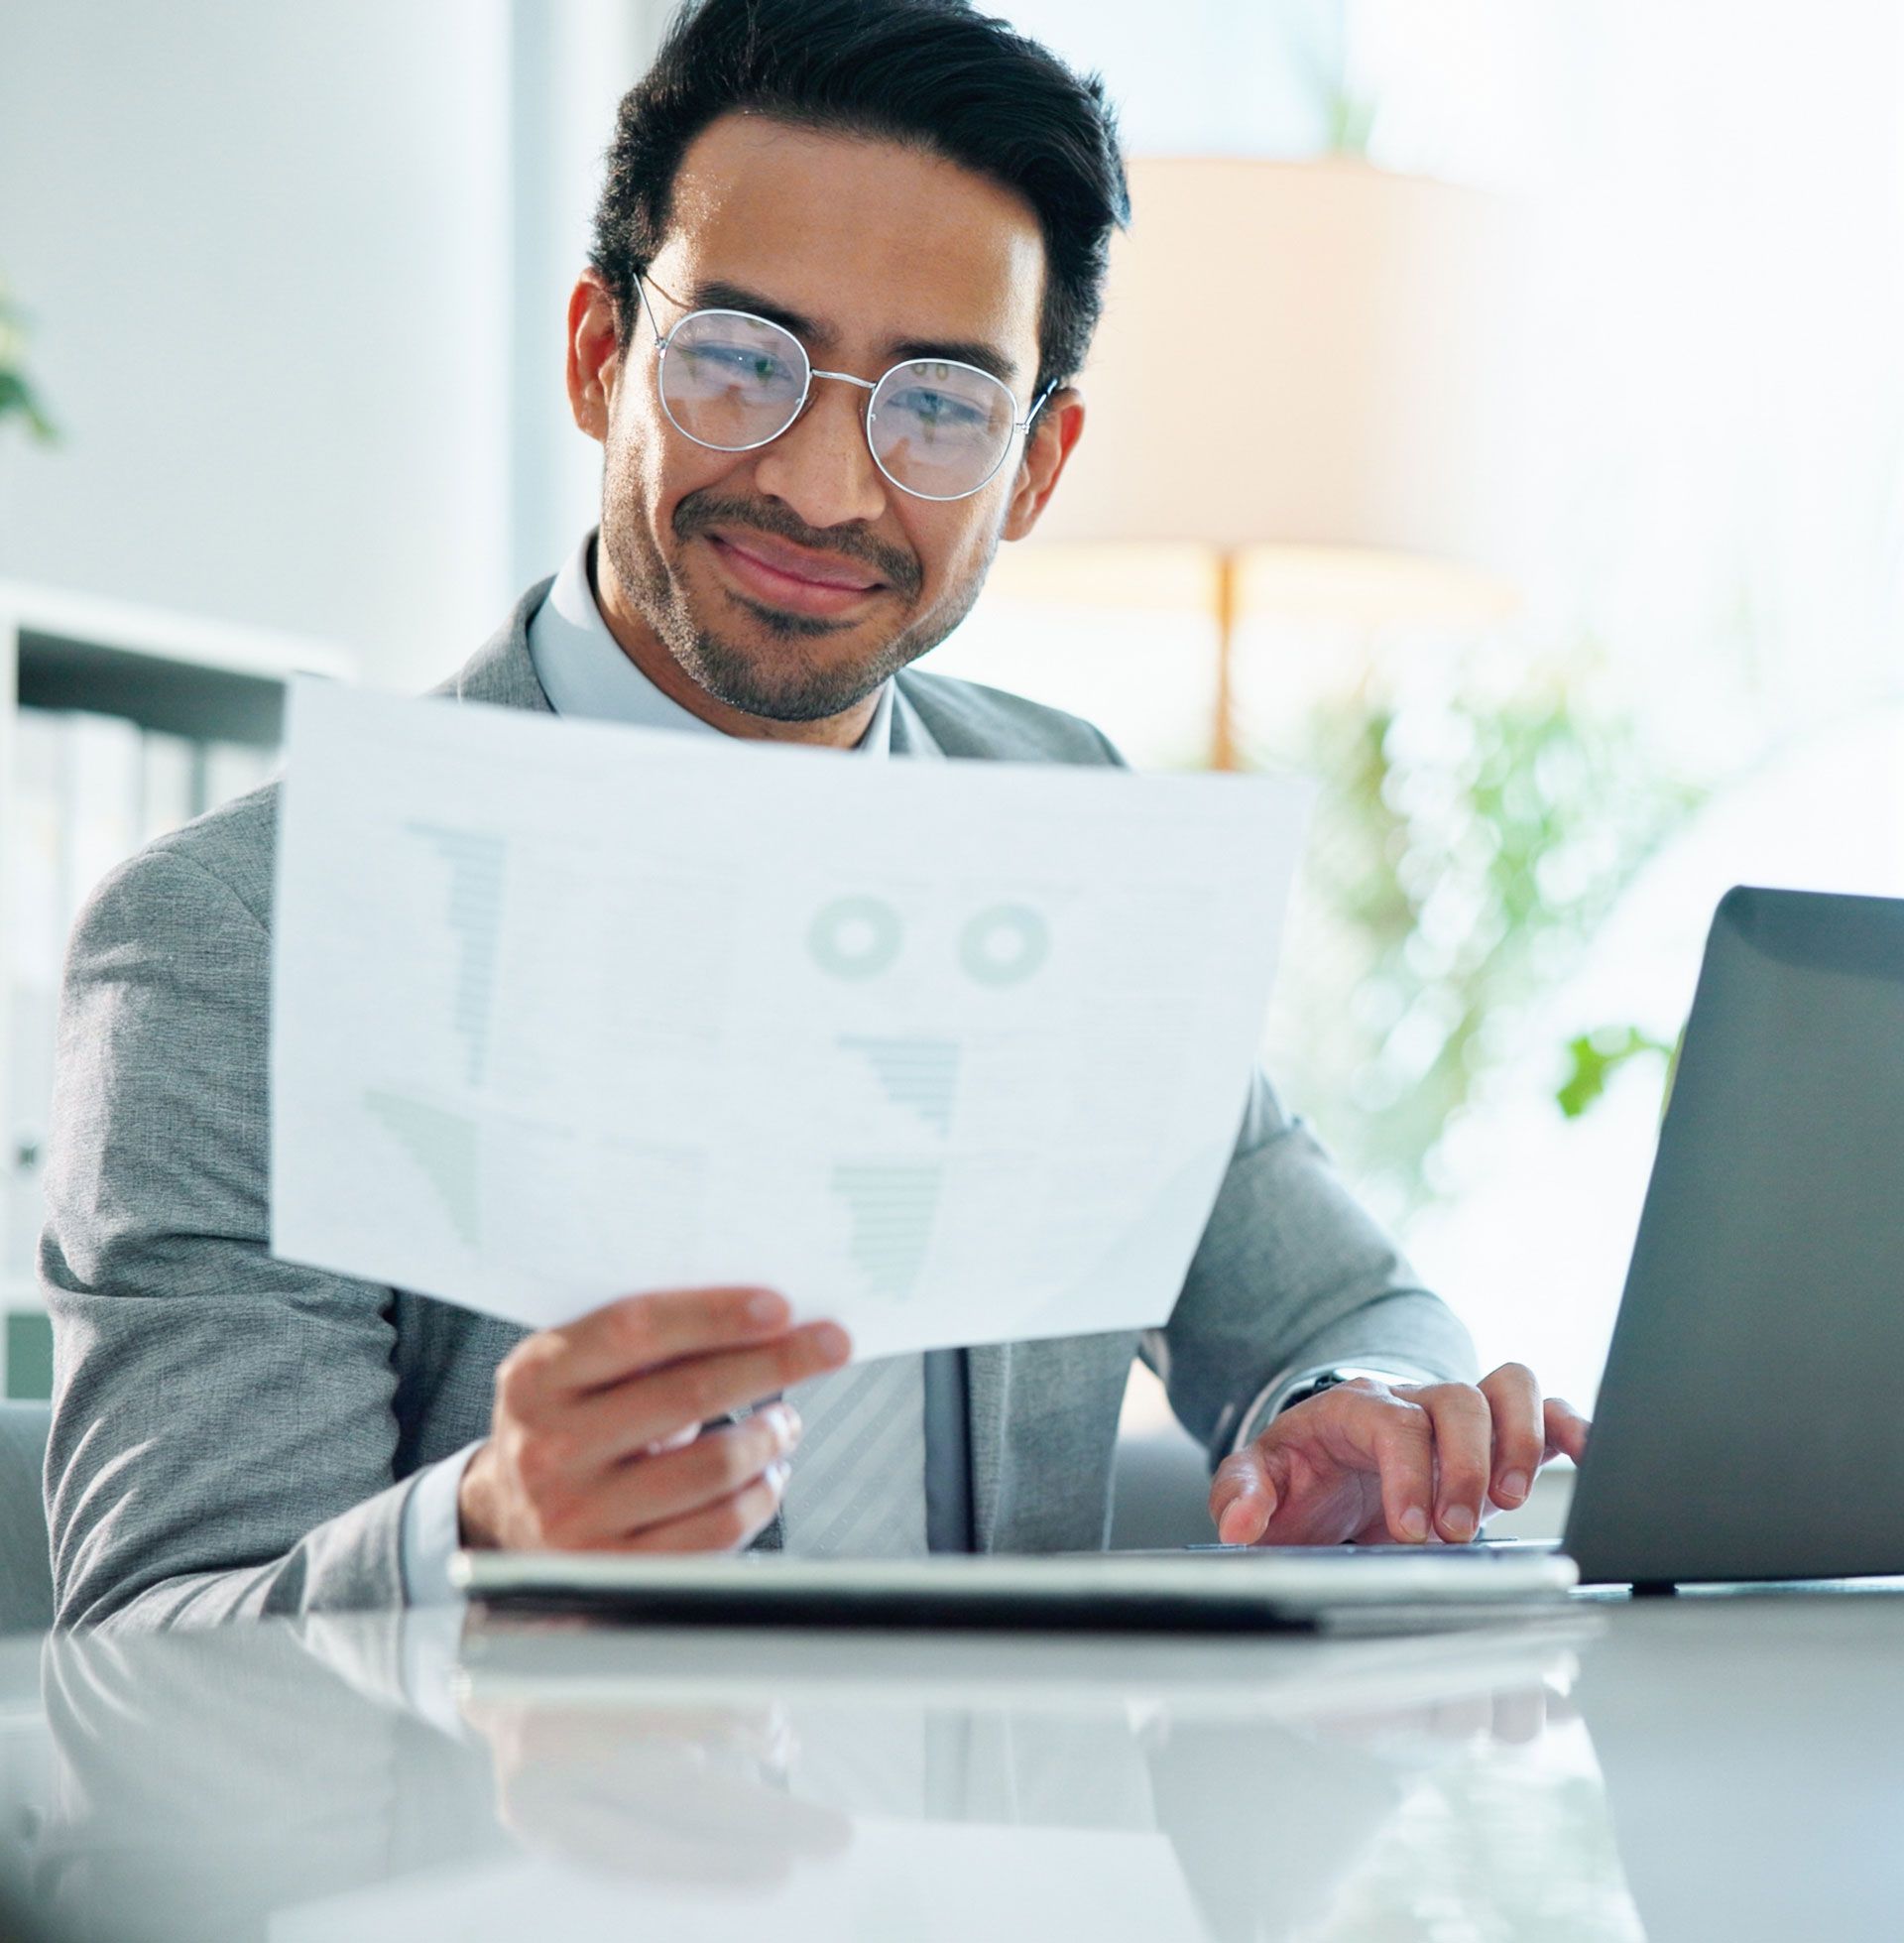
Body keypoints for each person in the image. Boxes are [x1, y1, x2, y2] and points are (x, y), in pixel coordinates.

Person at [42, 0, 1587, 1631]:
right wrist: (477, 1539)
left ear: (1036, 470)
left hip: (1006, 1873)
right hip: (505, 1877)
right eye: (739, 362)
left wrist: (1346, 1417)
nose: (828, 486)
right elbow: (145, 1654)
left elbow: (1347, 1310)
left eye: (939, 407)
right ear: (597, 357)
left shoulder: (1067, 828)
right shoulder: (236, 939)